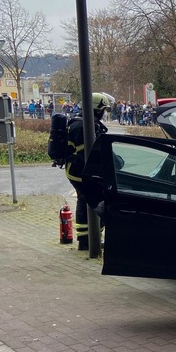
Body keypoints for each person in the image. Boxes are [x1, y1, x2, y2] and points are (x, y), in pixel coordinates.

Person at [65, 92, 112, 250]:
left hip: (79, 171)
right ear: (96, 109)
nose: (103, 112)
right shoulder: (82, 126)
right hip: (80, 173)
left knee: (85, 201)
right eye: (102, 109)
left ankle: (89, 239)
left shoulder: (85, 123)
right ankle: (88, 241)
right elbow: (89, 154)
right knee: (92, 201)